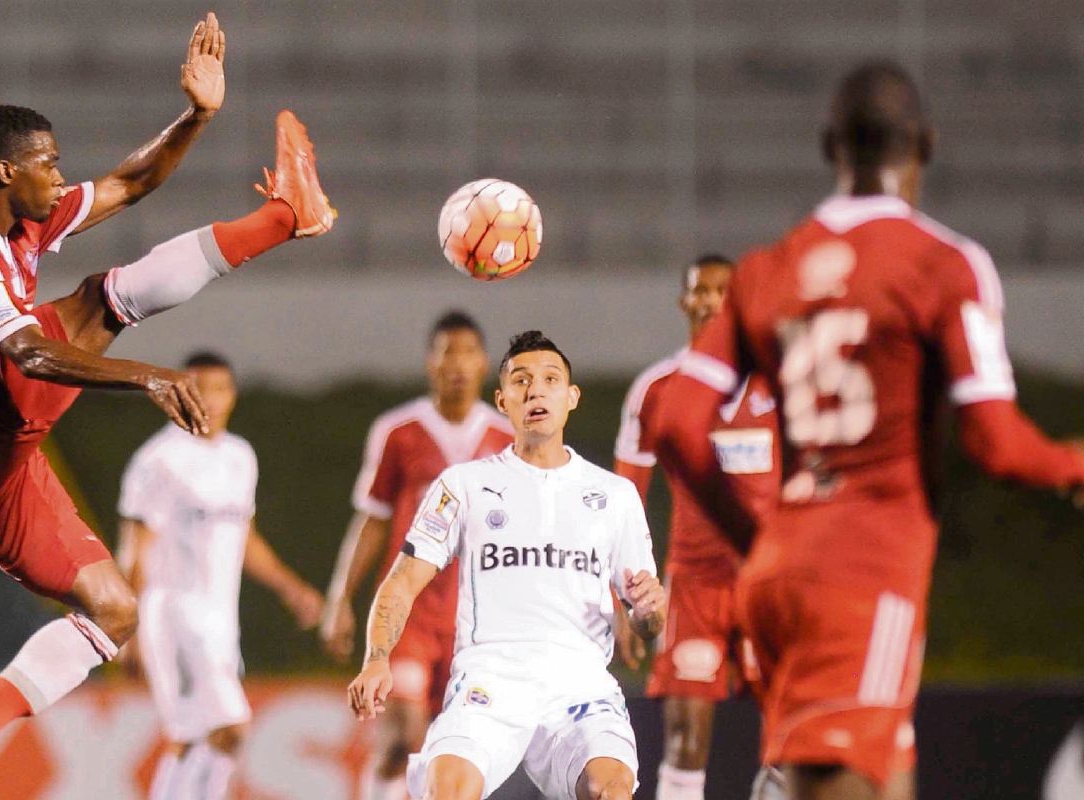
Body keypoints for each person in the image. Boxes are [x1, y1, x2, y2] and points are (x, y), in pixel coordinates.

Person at [0, 13, 336, 797]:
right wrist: (147, 377)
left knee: (115, 612)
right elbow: (24, 352)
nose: (59, 180)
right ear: (0, 174)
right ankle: (282, 219)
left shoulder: (21, 219)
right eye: (45, 167)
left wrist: (198, 113)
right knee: (95, 304)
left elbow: (132, 183)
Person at [657, 62, 1084, 800]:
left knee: (889, 776)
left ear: (831, 146)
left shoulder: (765, 269)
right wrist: (1071, 464)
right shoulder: (946, 264)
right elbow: (993, 442)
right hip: (863, 572)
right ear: (928, 143)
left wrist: (756, 539)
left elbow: (674, 424)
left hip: (781, 568)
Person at [348, 330, 667, 800]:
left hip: (579, 688)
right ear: (502, 400)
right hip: (489, 682)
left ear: (571, 397)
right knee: (447, 790)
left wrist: (648, 610)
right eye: (521, 381)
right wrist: (375, 659)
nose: (536, 390)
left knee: (611, 791)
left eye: (550, 379)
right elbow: (402, 580)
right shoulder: (463, 485)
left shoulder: (614, 496)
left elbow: (649, 622)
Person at [321, 310, 513, 800]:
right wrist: (339, 597)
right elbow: (373, 520)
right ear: (430, 362)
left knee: (459, 751)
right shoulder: (398, 432)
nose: (458, 363)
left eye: (468, 351)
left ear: (485, 363)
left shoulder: (507, 440)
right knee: (402, 736)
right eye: (447, 351)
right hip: (409, 616)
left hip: (477, 624)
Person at [117, 351, 325, 800]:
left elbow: (243, 535)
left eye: (218, 388)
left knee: (194, 741)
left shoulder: (239, 456)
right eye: (199, 388)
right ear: (180, 393)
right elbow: (135, 549)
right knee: (231, 727)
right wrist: (127, 631)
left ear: (231, 395)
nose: (209, 399)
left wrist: (291, 587)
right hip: (172, 613)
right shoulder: (160, 459)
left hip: (218, 621)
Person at [613, 254, 779, 800]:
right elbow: (624, 502)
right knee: (685, 738)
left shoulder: (780, 383)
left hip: (771, 583)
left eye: (722, 290)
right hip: (696, 587)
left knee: (794, 735)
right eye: (699, 290)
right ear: (684, 302)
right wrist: (623, 596)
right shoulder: (657, 389)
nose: (709, 300)